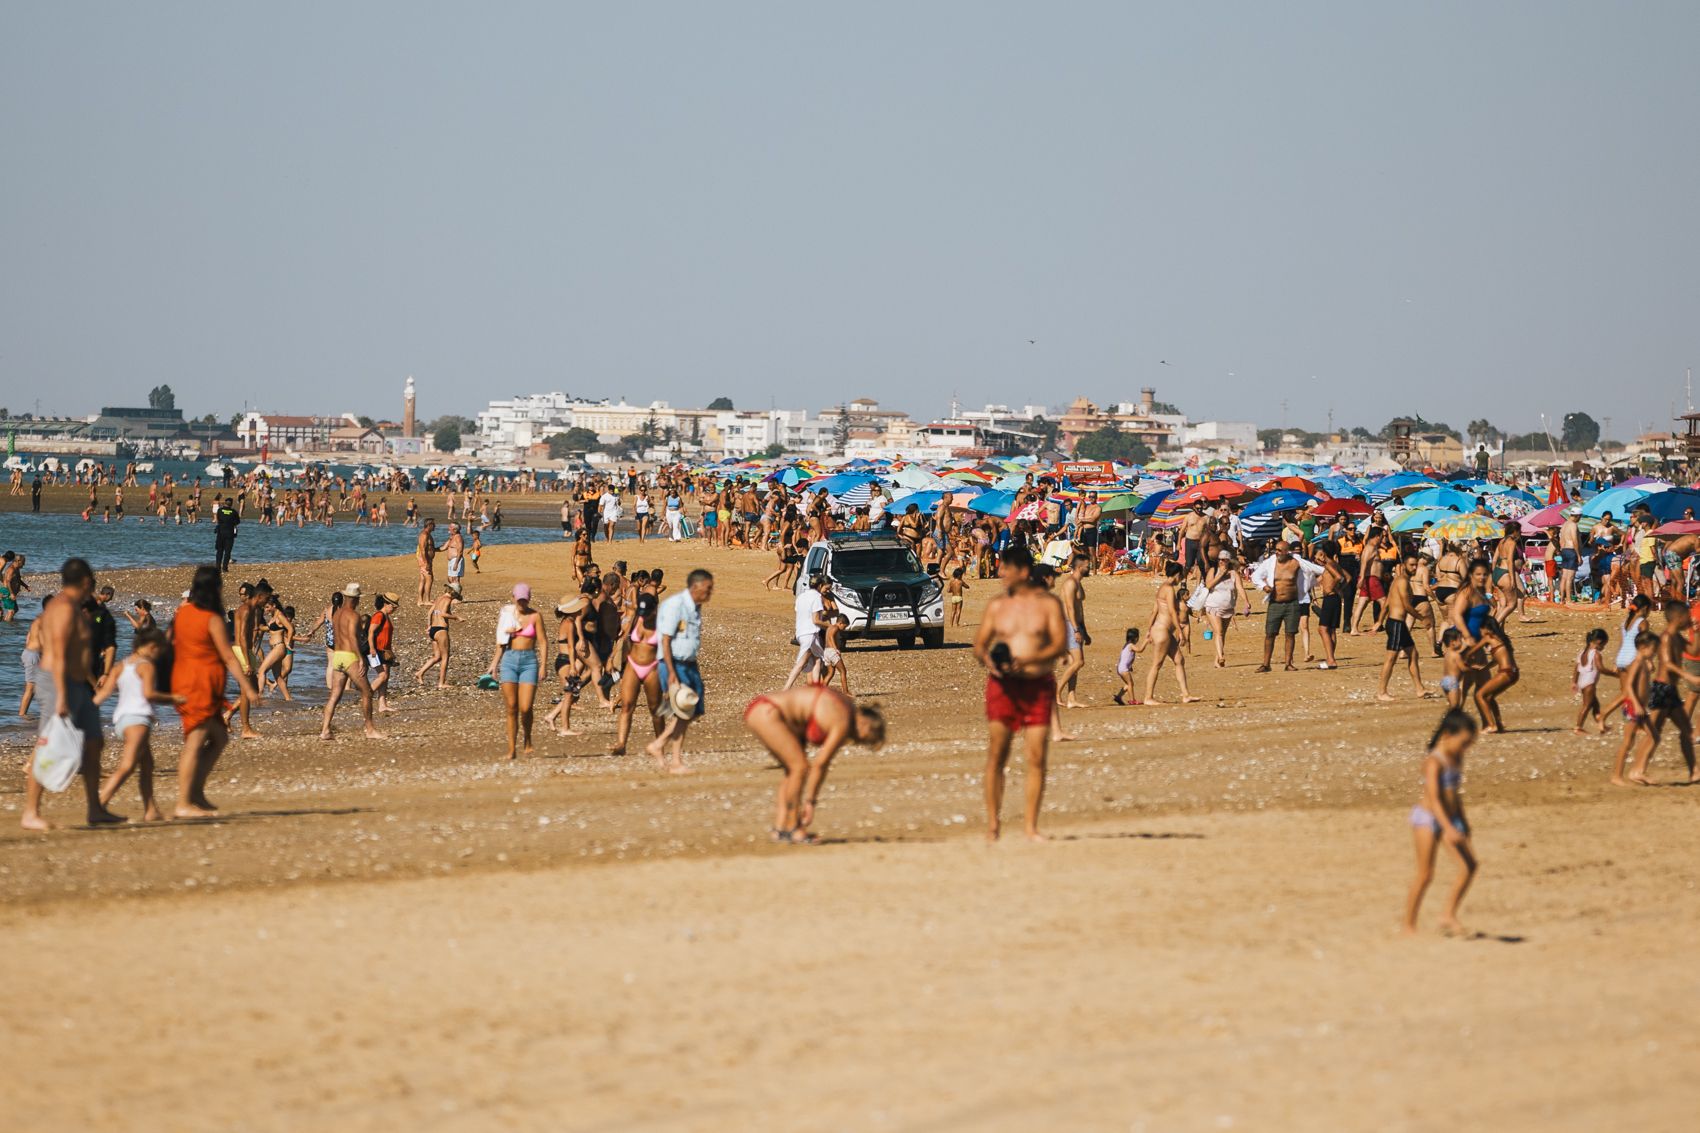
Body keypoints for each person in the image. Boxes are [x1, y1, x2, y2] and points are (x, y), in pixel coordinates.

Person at [972, 544, 1068, 842]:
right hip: (1003, 686)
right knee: (997, 754)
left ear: (1023, 572)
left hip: (1037, 684)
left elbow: (1059, 644)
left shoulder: (1048, 604)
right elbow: (979, 644)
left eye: (1005, 568)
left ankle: (1030, 826)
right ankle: (992, 825)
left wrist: (1027, 660)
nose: (1000, 573)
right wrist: (989, 660)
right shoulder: (997, 605)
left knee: (1036, 756)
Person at [22, 559, 125, 830]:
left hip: (78, 684)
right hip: (59, 683)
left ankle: (95, 809)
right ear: (85, 581)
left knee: (94, 742)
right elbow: (55, 654)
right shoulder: (63, 609)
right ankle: (31, 812)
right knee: (47, 744)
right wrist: (63, 697)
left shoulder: (76, 607)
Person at [170, 565, 261, 819]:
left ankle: (196, 793)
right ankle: (183, 802)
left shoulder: (182, 612)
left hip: (185, 681)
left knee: (219, 737)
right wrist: (248, 688)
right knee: (195, 741)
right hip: (199, 685)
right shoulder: (211, 618)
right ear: (216, 589)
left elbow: (171, 643)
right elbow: (229, 657)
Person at [744, 684, 886, 843]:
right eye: (866, 739)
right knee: (799, 767)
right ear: (865, 723)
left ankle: (781, 828)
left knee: (792, 771)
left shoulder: (843, 707)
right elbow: (821, 764)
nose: (860, 743)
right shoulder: (844, 719)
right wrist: (810, 802)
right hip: (769, 712)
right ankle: (793, 829)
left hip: (763, 709)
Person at [92, 626, 183, 822]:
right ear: (152, 647)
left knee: (147, 764)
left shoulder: (120, 665)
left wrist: (87, 711)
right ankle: (98, 805)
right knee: (128, 765)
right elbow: (149, 694)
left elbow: (103, 693)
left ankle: (151, 810)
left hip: (121, 720)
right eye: (160, 650)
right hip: (138, 719)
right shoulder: (146, 665)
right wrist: (175, 698)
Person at [1624, 599, 1700, 784]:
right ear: (1678, 618)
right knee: (1655, 733)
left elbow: (1693, 649)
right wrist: (1689, 677)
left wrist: (1696, 632)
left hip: (1670, 691)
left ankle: (1694, 772)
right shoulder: (1666, 637)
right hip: (1662, 690)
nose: (1690, 619)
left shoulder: (1677, 637)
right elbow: (1667, 663)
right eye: (1687, 617)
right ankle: (1637, 770)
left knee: (1684, 730)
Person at [646, 568, 713, 774]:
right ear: (695, 587)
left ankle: (666, 751)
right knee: (683, 709)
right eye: (707, 588)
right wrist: (672, 672)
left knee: (691, 709)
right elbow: (665, 640)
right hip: (673, 663)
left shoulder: (695, 606)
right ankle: (671, 757)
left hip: (689, 663)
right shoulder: (676, 605)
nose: (710, 592)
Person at [320, 582, 384, 742]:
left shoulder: (336, 614)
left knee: (335, 695)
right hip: (350, 656)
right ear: (355, 599)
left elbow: (337, 636)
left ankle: (325, 730)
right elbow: (352, 637)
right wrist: (361, 658)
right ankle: (369, 729)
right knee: (367, 692)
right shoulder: (353, 615)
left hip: (338, 655)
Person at [1252, 542, 1323, 673]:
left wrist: (1331, 569)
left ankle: (1288, 663)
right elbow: (1255, 575)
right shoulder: (1271, 562)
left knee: (1290, 634)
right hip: (1275, 602)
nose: (1277, 552)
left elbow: (1317, 569)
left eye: (1280, 550)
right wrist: (1264, 586)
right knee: (1270, 634)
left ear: (1287, 551)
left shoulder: (1296, 562)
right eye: (1276, 550)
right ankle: (1266, 663)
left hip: (1292, 603)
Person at [608, 592, 664, 756]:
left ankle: (659, 743)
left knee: (655, 709)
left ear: (655, 610)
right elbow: (625, 638)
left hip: (652, 667)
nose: (644, 616)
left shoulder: (662, 625)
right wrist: (612, 658)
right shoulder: (636, 619)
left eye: (647, 613)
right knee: (627, 706)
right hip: (633, 665)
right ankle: (621, 744)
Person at [495, 583, 545, 759]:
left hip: (529, 661)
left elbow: (543, 642)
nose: (522, 603)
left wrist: (544, 665)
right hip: (509, 660)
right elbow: (500, 642)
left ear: (529, 598)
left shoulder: (536, 616)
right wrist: (494, 666)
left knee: (525, 707)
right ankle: (511, 749)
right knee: (511, 707)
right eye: (519, 600)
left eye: (525, 600)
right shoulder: (508, 615)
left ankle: (528, 740)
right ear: (514, 598)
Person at [1144, 560, 1201, 704]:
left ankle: (1186, 695)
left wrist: (1149, 630)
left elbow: (1154, 611)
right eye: (1181, 576)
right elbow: (1172, 612)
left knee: (1179, 660)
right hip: (1163, 631)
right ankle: (1148, 697)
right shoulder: (1168, 589)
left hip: (1162, 630)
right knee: (1157, 664)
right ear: (1177, 575)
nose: (1181, 579)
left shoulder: (1162, 588)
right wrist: (1180, 632)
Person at [1376, 552, 1429, 701]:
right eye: (1411, 565)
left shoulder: (1399, 580)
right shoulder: (1403, 582)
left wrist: (1379, 621)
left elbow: (1387, 602)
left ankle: (1419, 689)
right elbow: (1406, 605)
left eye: (1416, 565)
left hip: (1397, 624)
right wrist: (1421, 618)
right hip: (1397, 624)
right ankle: (1381, 692)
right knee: (1391, 658)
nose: (1414, 568)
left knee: (1413, 654)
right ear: (1403, 565)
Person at [1611, 631, 1658, 786]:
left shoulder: (1643, 662)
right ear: (1643, 647)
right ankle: (1617, 775)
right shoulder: (1636, 663)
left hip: (1641, 708)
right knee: (1628, 742)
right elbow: (1629, 686)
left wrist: (1650, 661)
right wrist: (1637, 705)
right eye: (1653, 649)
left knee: (1654, 737)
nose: (1655, 652)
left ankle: (1637, 772)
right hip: (1634, 706)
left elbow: (1647, 674)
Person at [1199, 549, 1251, 669]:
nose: (1222, 562)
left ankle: (1217, 660)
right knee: (1219, 631)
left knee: (1223, 634)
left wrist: (1246, 601)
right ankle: (1221, 656)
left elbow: (1240, 588)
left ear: (1229, 561)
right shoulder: (1213, 571)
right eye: (1221, 560)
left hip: (1228, 607)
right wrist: (1221, 574)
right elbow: (1209, 585)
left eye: (1225, 560)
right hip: (1213, 605)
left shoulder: (1234, 574)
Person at [783, 574, 832, 690]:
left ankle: (816, 689)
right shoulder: (816, 598)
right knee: (801, 663)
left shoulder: (801, 596)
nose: (827, 591)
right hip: (810, 633)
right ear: (820, 586)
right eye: (826, 588)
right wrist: (830, 626)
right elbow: (816, 620)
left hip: (801, 632)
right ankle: (785, 689)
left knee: (817, 659)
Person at [1056, 555, 1092, 709]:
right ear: (1079, 567)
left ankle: (1071, 698)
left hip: (1076, 625)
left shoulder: (1078, 583)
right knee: (1079, 662)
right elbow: (1070, 608)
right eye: (1087, 565)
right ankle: (1056, 692)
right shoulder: (1070, 583)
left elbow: (1079, 609)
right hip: (1068, 625)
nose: (1089, 568)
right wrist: (1076, 629)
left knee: (1073, 664)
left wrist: (1084, 630)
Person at [414, 586, 460, 689]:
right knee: (445, 657)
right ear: (454, 593)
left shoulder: (439, 598)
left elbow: (430, 612)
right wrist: (456, 617)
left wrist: (429, 626)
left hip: (433, 629)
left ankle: (420, 672)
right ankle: (441, 683)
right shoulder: (448, 599)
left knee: (437, 656)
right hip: (441, 630)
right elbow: (443, 614)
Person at [1574, 627, 1609, 735]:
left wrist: (1574, 682)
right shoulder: (1595, 654)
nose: (1603, 648)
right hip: (1589, 684)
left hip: (1582, 682)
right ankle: (1578, 727)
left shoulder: (1582, 653)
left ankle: (1601, 725)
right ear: (1599, 642)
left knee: (1596, 706)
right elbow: (1601, 668)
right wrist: (1614, 673)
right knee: (1587, 706)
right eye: (1603, 645)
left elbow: (1576, 669)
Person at [368, 593, 398, 714]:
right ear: (386, 604)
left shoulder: (385, 616)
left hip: (385, 652)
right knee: (383, 676)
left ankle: (382, 704)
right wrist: (372, 649)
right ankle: (367, 696)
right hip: (376, 651)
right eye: (393, 606)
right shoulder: (379, 616)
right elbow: (370, 632)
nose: (395, 609)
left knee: (385, 679)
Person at [1112, 628, 1146, 706]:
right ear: (1136, 638)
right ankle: (1132, 700)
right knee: (1130, 683)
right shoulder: (1131, 645)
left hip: (1120, 668)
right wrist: (1146, 641)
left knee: (1128, 684)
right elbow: (1140, 650)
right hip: (1123, 669)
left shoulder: (1126, 645)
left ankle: (1119, 697)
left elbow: (1125, 657)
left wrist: (1129, 666)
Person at [213, 495, 240, 572]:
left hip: (220, 532)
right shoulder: (234, 512)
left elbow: (218, 519)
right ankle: (225, 568)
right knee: (227, 551)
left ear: (225, 503)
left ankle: (218, 567)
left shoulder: (220, 510)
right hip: (230, 533)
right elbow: (238, 522)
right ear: (231, 504)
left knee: (219, 551)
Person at [415, 518, 438, 606]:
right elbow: (422, 549)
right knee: (429, 579)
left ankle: (420, 600)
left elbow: (430, 548)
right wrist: (426, 562)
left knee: (423, 579)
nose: (435, 526)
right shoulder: (424, 535)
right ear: (429, 525)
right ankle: (426, 600)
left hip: (426, 559)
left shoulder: (428, 534)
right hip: (425, 560)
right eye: (433, 525)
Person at [443, 524, 466, 597]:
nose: (448, 528)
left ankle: (457, 597)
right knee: (450, 579)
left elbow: (460, 551)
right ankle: (453, 595)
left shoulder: (458, 537)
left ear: (455, 529)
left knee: (455, 579)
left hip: (456, 560)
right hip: (451, 561)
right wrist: (432, 549)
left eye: (450, 527)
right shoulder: (452, 537)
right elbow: (443, 548)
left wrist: (456, 563)